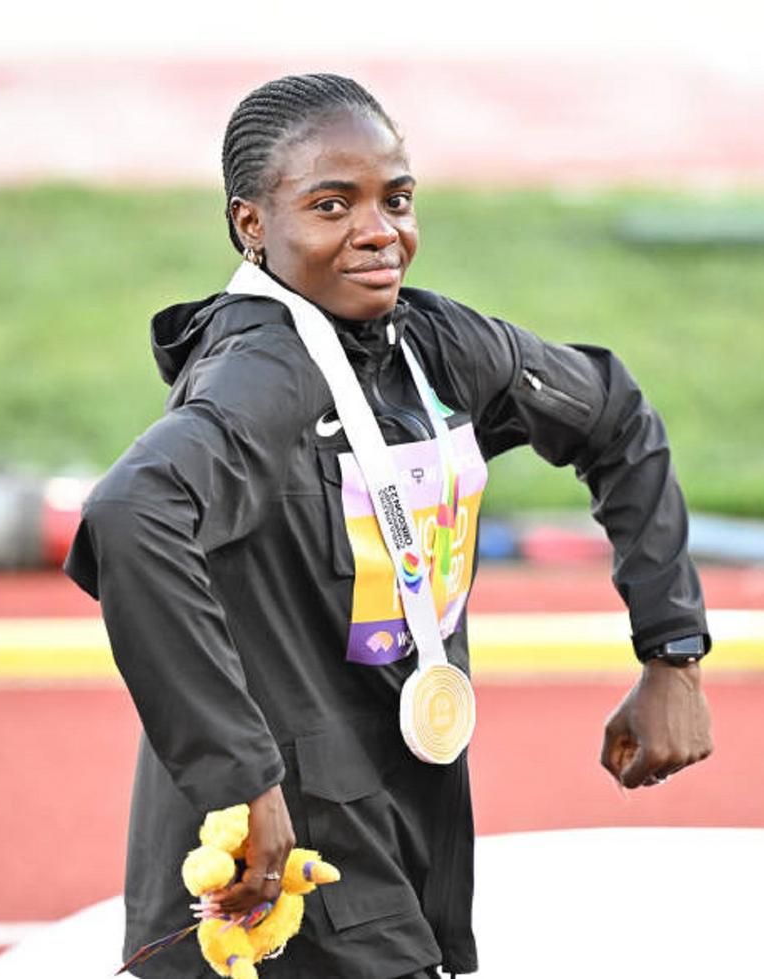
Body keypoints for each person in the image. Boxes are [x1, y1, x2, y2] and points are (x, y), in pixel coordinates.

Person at [64, 73, 713, 979]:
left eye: (395, 198)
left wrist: (672, 650)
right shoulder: (266, 371)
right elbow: (134, 511)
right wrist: (242, 781)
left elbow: (612, 414)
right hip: (283, 865)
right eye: (332, 205)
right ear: (252, 225)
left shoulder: (430, 346)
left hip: (407, 809)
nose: (379, 232)